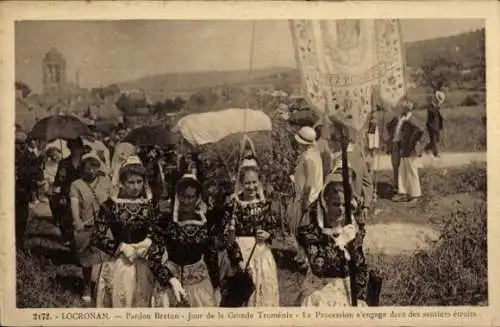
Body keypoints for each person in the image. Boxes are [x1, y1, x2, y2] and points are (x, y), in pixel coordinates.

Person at [91, 155, 171, 308]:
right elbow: (97, 237)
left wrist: (149, 242)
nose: (135, 187)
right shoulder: (110, 206)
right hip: (120, 263)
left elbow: (158, 231)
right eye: (131, 182)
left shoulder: (150, 205)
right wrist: (121, 247)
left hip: (146, 261)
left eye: (139, 182)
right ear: (121, 183)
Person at [296, 169, 367, 307]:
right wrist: (336, 242)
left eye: (345, 205)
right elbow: (319, 265)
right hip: (318, 296)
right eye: (336, 204)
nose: (341, 209)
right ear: (325, 203)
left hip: (346, 294)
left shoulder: (352, 233)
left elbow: (361, 267)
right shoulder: (312, 234)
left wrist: (360, 296)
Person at [150, 174, 220, 307]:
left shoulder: (206, 224)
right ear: (177, 196)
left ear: (198, 198)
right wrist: (171, 280)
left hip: (200, 286)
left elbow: (212, 256)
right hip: (172, 285)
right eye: (182, 196)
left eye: (190, 197)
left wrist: (216, 286)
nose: (186, 201)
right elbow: (153, 258)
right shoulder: (165, 222)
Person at [218, 157, 280, 307]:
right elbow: (227, 236)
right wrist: (237, 260)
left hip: (261, 254)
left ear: (259, 183)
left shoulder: (265, 204)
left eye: (254, 182)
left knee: (264, 294)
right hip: (240, 255)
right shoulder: (234, 205)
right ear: (241, 184)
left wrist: (268, 234)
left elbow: (274, 228)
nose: (251, 187)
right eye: (247, 183)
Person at [69, 154, 112, 303]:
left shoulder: (106, 182)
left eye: (95, 168)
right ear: (82, 169)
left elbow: (113, 202)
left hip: (104, 226)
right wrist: (77, 220)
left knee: (106, 258)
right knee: (86, 260)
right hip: (86, 227)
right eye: (88, 168)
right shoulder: (76, 185)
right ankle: (87, 286)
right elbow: (74, 205)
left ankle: (103, 287)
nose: (92, 171)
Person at [386, 100, 425, 203]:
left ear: (407, 109)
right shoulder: (403, 118)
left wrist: (412, 141)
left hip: (410, 149)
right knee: (403, 171)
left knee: (412, 171)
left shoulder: (411, 119)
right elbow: (394, 129)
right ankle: (403, 193)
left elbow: (420, 130)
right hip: (404, 148)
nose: (401, 109)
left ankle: (415, 195)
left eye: (403, 108)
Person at [287, 126, 323, 235]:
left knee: (300, 232)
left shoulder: (308, 157)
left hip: (307, 200)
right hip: (311, 199)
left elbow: (308, 184)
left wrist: (304, 204)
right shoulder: (314, 154)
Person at [51, 137, 87, 246]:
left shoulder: (85, 163)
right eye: (72, 147)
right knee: (67, 216)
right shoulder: (64, 163)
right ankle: (69, 238)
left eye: (77, 148)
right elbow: (58, 181)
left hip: (82, 193)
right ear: (69, 148)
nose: (75, 150)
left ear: (81, 149)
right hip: (67, 192)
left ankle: (81, 240)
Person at [424, 92, 445, 157]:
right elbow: (431, 112)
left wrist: (441, 122)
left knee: (436, 140)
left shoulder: (436, 107)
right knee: (433, 140)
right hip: (431, 126)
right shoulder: (431, 106)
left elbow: (439, 116)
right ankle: (435, 153)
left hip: (436, 126)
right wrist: (437, 107)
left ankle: (426, 149)